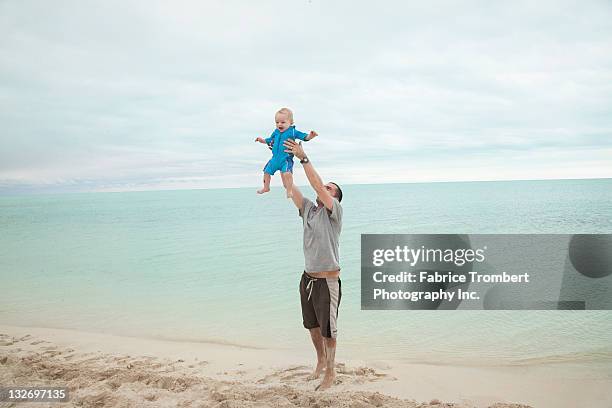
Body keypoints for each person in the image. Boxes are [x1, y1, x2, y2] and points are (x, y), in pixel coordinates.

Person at [283, 138, 343, 391]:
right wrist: (282, 157)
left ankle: (331, 372)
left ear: (335, 197)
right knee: (312, 326)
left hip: (327, 281)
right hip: (307, 278)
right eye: (325, 187)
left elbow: (316, 186)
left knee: (329, 331)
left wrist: (303, 157)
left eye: (329, 188)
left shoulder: (334, 212)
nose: (324, 189)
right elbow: (290, 186)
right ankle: (319, 361)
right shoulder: (308, 209)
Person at [255, 108, 318, 198]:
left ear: (291, 122)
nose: (279, 124)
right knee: (266, 172)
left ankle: (289, 190)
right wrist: (263, 140)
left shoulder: (292, 131)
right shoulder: (276, 132)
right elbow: (270, 140)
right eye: (277, 122)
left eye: (283, 122)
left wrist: (310, 136)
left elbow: (304, 137)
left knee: (287, 174)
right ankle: (266, 187)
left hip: (286, 159)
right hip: (275, 159)